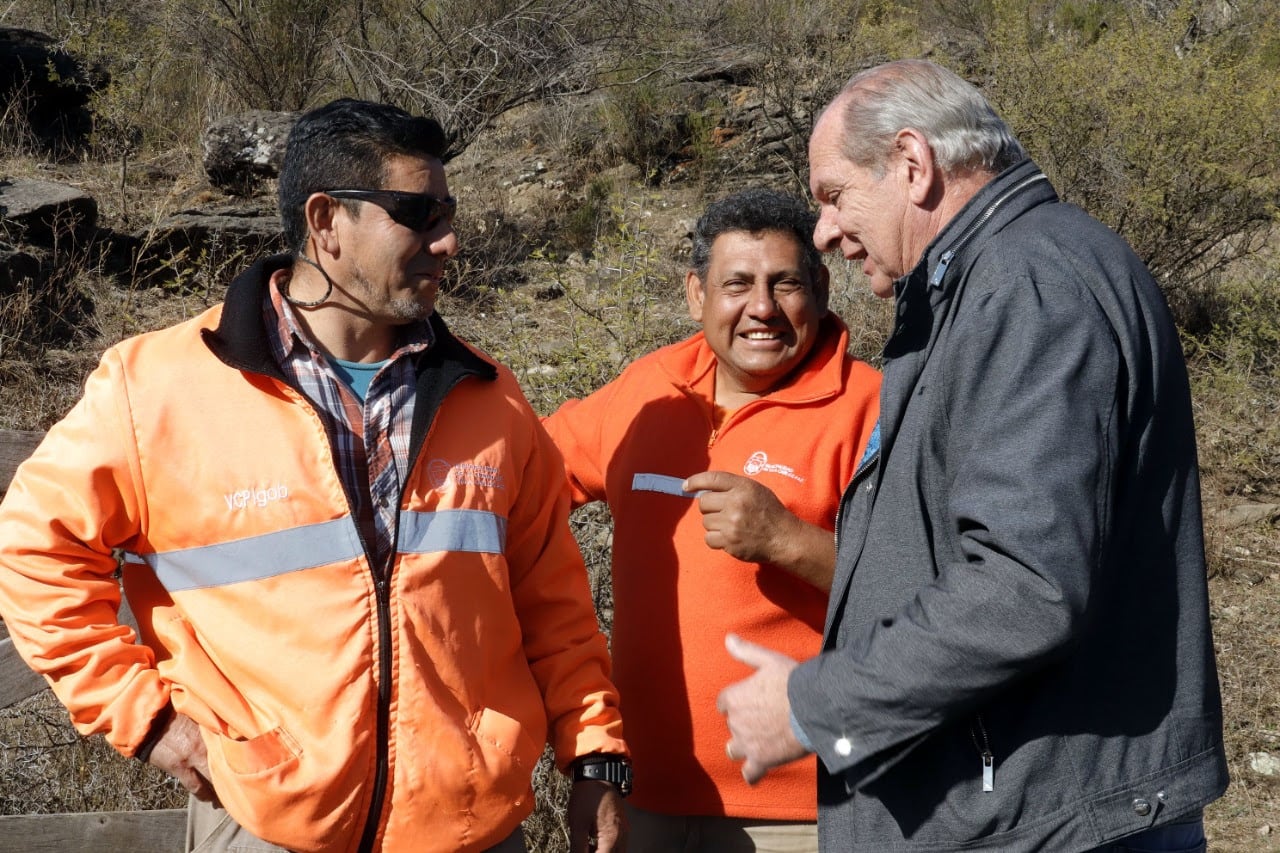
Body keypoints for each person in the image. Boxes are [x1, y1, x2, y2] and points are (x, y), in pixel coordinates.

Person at [0, 98, 631, 853]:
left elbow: (553, 605)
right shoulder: (156, 387)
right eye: (419, 214)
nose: (448, 240)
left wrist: (596, 754)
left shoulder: (491, 399)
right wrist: (150, 719)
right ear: (325, 221)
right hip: (268, 827)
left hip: (471, 831)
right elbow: (36, 554)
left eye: (447, 212)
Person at [717, 59, 1228, 853]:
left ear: (913, 165)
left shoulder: (1027, 284)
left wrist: (819, 704)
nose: (823, 230)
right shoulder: (995, 283)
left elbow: (1024, 584)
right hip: (1036, 804)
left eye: (833, 195)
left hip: (1049, 820)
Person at [543, 187, 880, 852]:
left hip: (806, 806)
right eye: (738, 284)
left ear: (821, 287)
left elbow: (931, 599)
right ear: (695, 294)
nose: (762, 308)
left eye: (784, 283)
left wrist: (787, 539)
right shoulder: (649, 390)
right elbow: (524, 483)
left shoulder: (871, 407)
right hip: (643, 801)